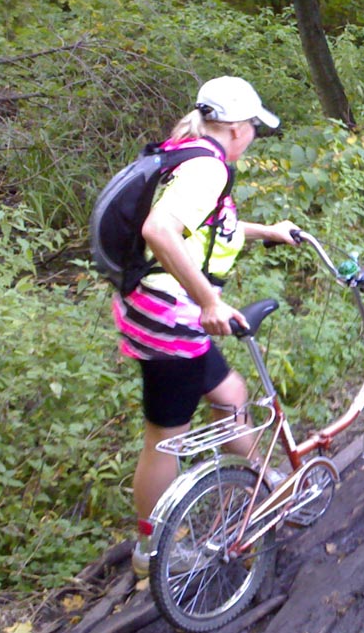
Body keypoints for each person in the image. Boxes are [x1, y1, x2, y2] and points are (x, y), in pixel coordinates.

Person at [110, 76, 299, 577]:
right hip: (170, 318)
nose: (254, 136)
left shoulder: (190, 150)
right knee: (164, 437)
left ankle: (261, 483)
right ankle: (152, 552)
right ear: (236, 128)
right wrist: (208, 300)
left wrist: (269, 231)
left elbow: (211, 225)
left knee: (231, 394)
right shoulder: (207, 168)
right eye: (253, 127)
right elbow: (159, 230)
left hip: (155, 308)